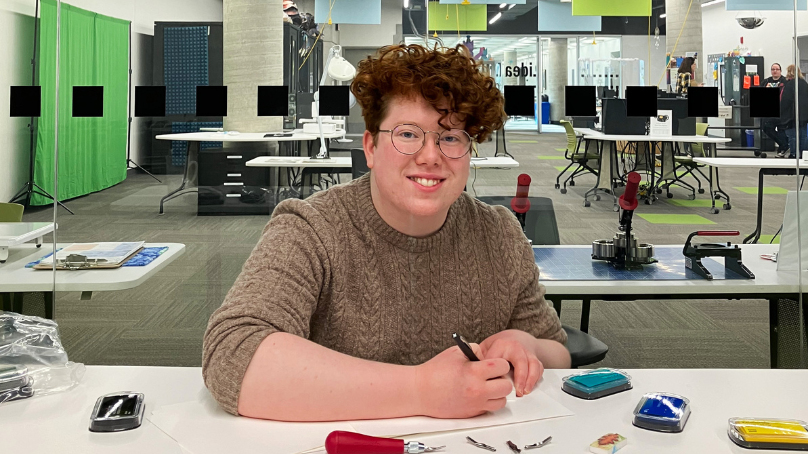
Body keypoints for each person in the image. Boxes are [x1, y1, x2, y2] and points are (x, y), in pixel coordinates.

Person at [202, 44, 570, 422]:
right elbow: (233, 355)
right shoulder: (311, 227)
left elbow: (558, 350)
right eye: (408, 134)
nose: (431, 155)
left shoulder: (499, 232)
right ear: (371, 147)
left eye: (451, 137)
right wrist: (421, 390)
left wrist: (526, 345)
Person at [780, 64, 808, 159]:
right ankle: (803, 155)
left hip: (791, 115)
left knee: (792, 136)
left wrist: (781, 112)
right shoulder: (805, 84)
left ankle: (794, 154)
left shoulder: (789, 84)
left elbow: (785, 101)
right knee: (803, 136)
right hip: (804, 115)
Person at [761, 63, 790, 157]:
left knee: (782, 129)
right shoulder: (766, 82)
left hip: (783, 110)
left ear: (780, 71)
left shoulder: (786, 81)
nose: (775, 71)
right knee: (766, 128)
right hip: (769, 110)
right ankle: (784, 144)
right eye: (773, 69)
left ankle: (782, 148)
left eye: (777, 69)